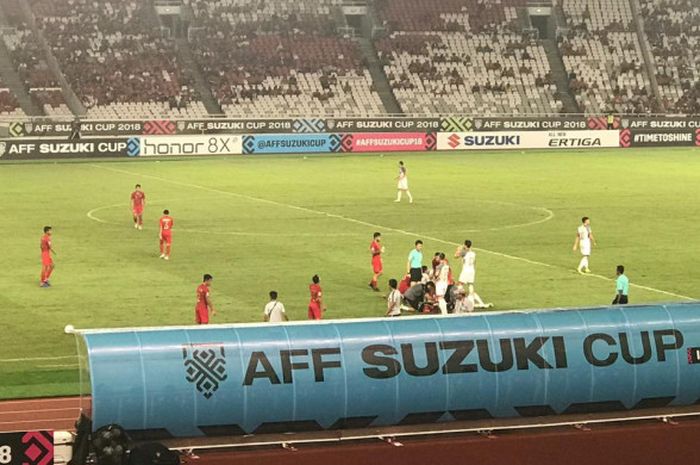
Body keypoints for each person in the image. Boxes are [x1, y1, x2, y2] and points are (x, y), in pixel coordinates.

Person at [455, 240, 492, 309]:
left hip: (465, 270)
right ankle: (479, 302)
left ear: (465, 245)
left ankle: (461, 301)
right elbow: (474, 262)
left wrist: (458, 249)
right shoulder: (473, 253)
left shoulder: (464, 252)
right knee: (470, 285)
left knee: (460, 284)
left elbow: (456, 256)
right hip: (472, 270)